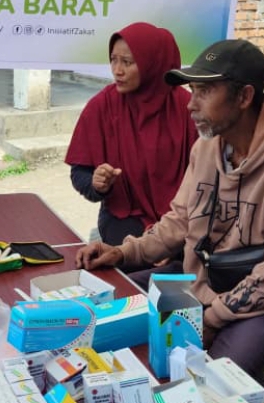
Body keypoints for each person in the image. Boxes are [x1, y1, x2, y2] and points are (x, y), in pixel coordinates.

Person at [75, 39, 264, 379]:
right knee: (109, 308)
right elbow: (181, 219)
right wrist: (123, 253)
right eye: (192, 90)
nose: (190, 105)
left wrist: (210, 319)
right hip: (203, 280)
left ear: (244, 97)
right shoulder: (208, 148)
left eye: (204, 92)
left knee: (215, 378)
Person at [66, 22, 198, 249]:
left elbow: (209, 179)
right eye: (113, 60)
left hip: (184, 219)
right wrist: (97, 184)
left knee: (188, 265)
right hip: (125, 218)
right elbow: (80, 173)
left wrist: (169, 239)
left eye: (127, 62)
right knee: (128, 265)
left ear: (152, 64)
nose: (117, 70)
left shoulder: (189, 108)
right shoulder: (102, 106)